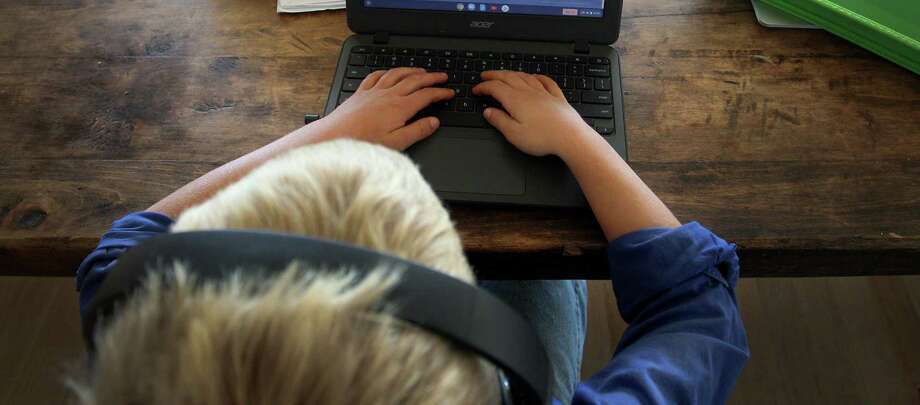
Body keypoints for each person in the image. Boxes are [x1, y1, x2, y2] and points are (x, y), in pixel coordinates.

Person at [72, 68, 749, 404]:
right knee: (542, 257)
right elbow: (696, 309)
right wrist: (574, 133)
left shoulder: (140, 322)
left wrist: (330, 127)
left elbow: (121, 256)